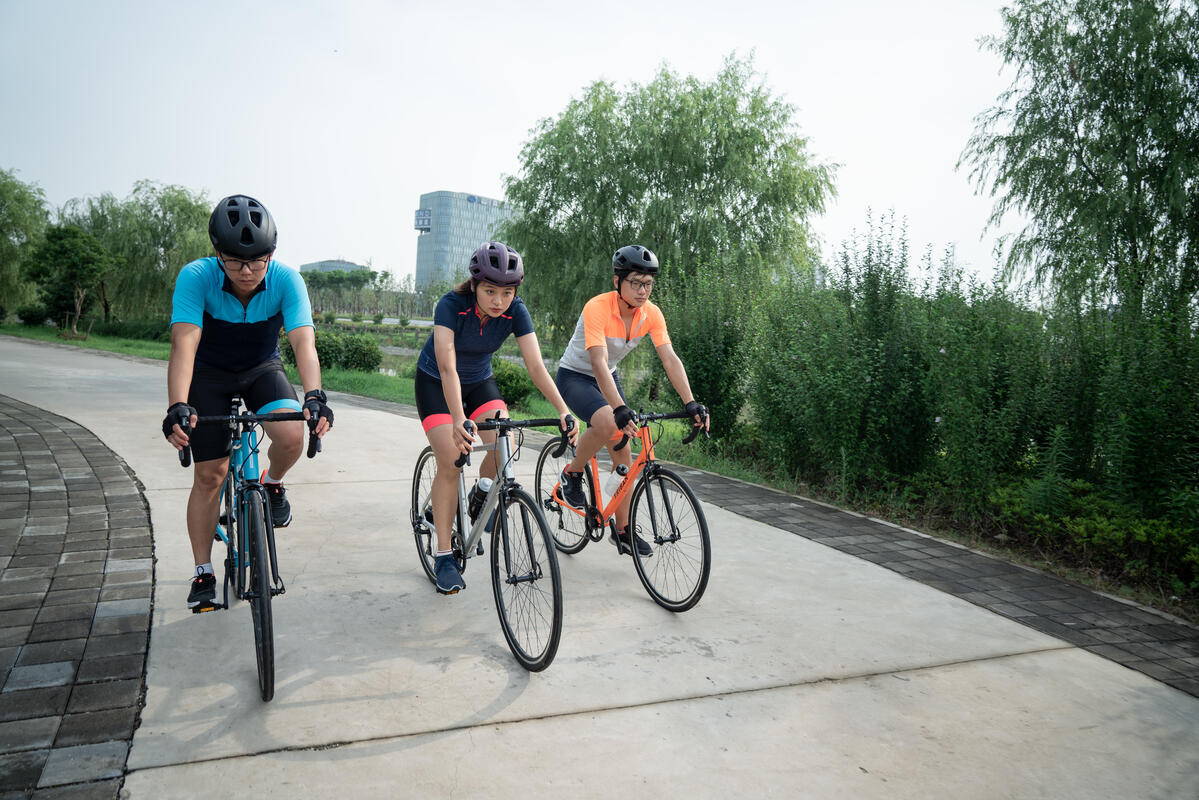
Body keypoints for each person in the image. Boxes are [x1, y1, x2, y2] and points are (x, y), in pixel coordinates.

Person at [162, 194, 333, 612]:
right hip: (209, 374)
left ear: (271, 254)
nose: (247, 271)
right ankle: (203, 570)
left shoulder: (288, 280)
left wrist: (314, 395)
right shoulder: (196, 276)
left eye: (258, 261)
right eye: (234, 260)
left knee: (291, 434)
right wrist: (177, 406)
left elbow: (302, 343)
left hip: (261, 368)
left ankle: (272, 485)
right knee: (210, 475)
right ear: (217, 253)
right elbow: (184, 343)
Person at [416, 241, 577, 595]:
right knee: (452, 459)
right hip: (436, 383)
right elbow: (446, 364)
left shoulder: (516, 311)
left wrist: (563, 410)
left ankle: (483, 490)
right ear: (474, 284)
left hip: (479, 382)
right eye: (490, 291)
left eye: (506, 292)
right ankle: (444, 555)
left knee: (505, 438)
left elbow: (535, 365)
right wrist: (458, 417)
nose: (498, 300)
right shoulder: (451, 305)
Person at [555, 245, 709, 556]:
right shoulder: (597, 307)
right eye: (636, 283)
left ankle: (622, 531)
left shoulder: (651, 314)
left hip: (609, 377)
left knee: (624, 460)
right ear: (618, 282)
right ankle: (573, 472)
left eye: (648, 284)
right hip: (575, 375)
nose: (643, 291)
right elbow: (597, 362)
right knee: (608, 421)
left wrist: (691, 402)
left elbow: (669, 359)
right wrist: (619, 408)